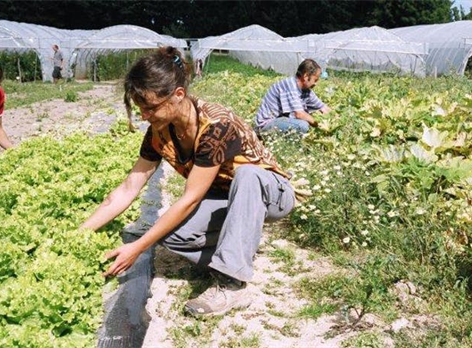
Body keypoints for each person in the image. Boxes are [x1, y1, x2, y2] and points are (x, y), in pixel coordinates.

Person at [80, 47, 295, 324]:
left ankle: (232, 284)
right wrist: (80, 233)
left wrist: (138, 248)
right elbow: (127, 189)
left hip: (271, 192)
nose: (145, 115)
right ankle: (236, 247)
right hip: (226, 198)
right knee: (171, 235)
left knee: (247, 175)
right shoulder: (159, 133)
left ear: (178, 95)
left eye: (150, 107)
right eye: (140, 108)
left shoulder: (216, 126)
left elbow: (191, 199)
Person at [254, 59, 332, 135]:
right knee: (303, 125)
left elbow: (322, 107)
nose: (315, 84)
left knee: (306, 121)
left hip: (280, 121)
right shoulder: (290, 85)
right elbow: (299, 114)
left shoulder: (306, 90)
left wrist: (335, 118)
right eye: (315, 80)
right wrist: (319, 125)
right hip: (266, 124)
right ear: (306, 76)